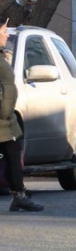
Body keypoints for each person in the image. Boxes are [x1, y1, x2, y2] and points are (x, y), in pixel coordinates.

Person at [0, 19, 43, 211]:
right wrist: (5, 114)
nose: (7, 35)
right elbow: (7, 90)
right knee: (13, 157)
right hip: (4, 122)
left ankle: (19, 194)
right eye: (3, 31)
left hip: (5, 121)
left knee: (12, 156)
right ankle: (19, 195)